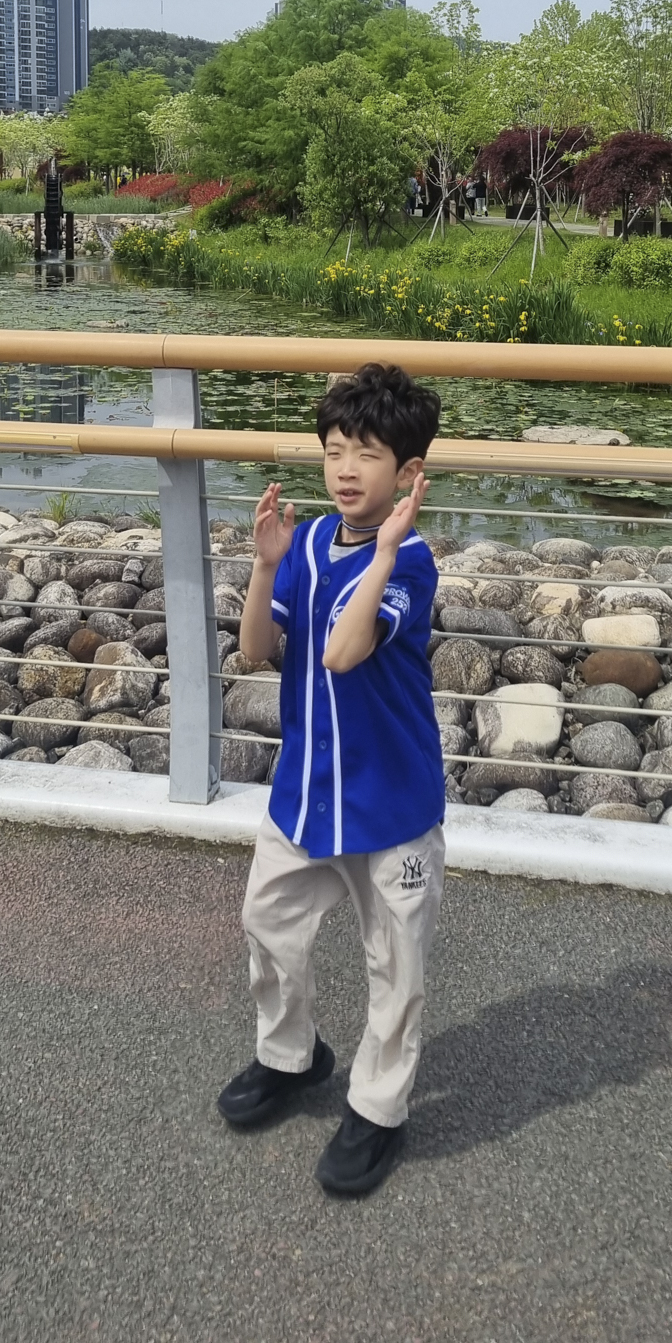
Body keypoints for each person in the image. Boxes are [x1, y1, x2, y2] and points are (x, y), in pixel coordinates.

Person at [218, 363, 445, 1197]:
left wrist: (381, 555)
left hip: (391, 801)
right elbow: (255, 652)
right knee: (268, 921)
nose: (346, 470)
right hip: (307, 792)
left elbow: (343, 653)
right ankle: (291, 1056)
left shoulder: (410, 562)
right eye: (334, 451)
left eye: (368, 455)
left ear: (408, 472)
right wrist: (265, 566)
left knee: (396, 964)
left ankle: (379, 1108)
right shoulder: (308, 542)